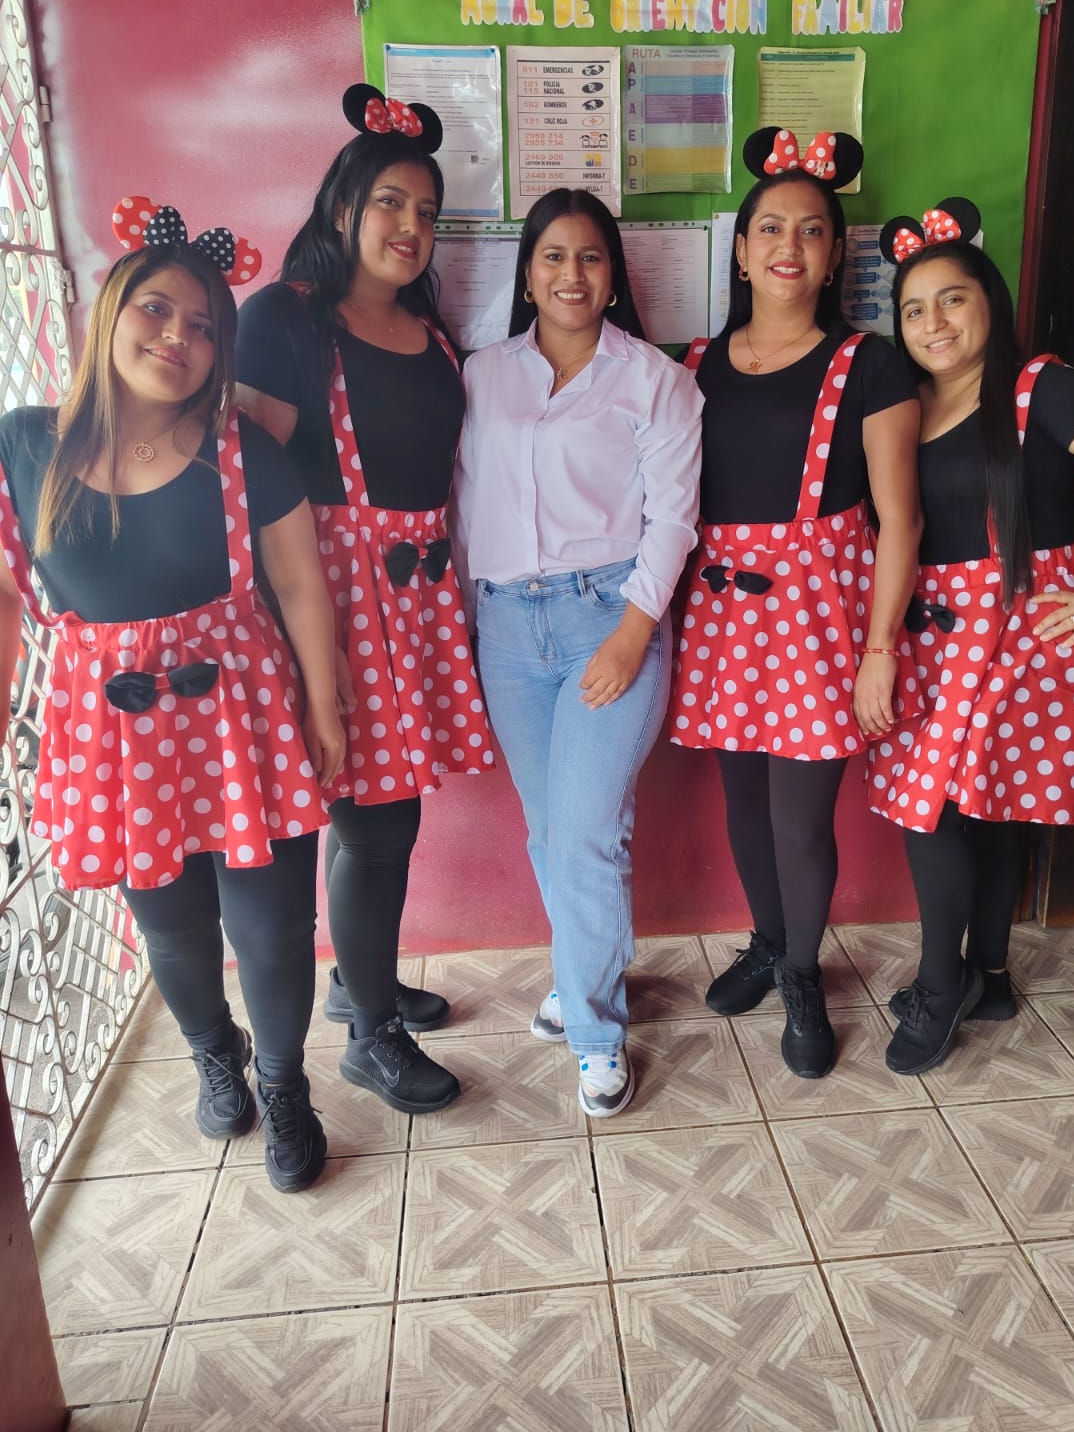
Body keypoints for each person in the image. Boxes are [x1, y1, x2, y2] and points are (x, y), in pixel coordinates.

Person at [0, 203, 346, 1191]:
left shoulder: (241, 450)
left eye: (202, 326)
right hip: (112, 733)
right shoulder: (26, 445)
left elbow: (301, 587)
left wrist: (324, 711)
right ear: (110, 312)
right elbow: (5, 596)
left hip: (245, 719)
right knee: (171, 928)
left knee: (272, 928)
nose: (176, 337)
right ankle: (213, 1054)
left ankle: (284, 1085)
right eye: (155, 309)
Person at [870, 202, 1074, 1074]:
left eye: (952, 299)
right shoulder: (909, 402)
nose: (933, 323)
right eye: (913, 309)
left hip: (1025, 629)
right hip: (938, 631)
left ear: (991, 302)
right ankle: (989, 975)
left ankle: (940, 985)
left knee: (937, 806)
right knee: (980, 805)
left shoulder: (1038, 386)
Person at [236, 86, 493, 1116]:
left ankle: (359, 983)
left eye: (427, 212)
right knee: (378, 825)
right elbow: (250, 486)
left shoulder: (429, 332)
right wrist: (307, 654)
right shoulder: (286, 319)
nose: (409, 227)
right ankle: (372, 1037)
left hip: (419, 602)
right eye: (390, 202)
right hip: (333, 601)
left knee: (377, 815)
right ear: (342, 205)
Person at [670, 128, 922, 1080]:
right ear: (740, 251)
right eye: (771, 228)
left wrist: (880, 650)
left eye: (812, 230)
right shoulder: (694, 363)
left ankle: (805, 974)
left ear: (834, 254)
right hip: (721, 613)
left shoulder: (870, 364)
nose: (790, 245)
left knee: (800, 815)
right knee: (743, 798)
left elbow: (900, 520)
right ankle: (769, 941)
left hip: (820, 617)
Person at [453, 188, 702, 1117]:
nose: (571, 274)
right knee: (552, 829)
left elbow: (673, 521)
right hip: (507, 629)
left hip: (610, 616)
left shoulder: (656, 381)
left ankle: (596, 1032)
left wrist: (634, 633)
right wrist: (467, 618)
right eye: (553, 256)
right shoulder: (483, 375)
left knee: (589, 830)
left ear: (613, 274)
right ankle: (583, 966)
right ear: (527, 274)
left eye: (590, 256)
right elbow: (463, 501)